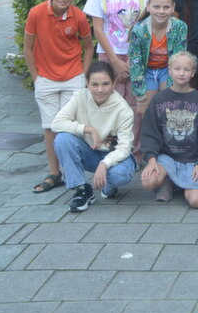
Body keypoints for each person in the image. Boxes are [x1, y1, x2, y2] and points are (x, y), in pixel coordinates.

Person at [26, 0, 95, 194]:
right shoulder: (36, 13)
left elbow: (88, 47)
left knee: (68, 128)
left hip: (73, 77)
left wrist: (83, 75)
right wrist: (36, 77)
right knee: (50, 127)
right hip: (45, 78)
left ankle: (73, 174)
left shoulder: (79, 16)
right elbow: (28, 48)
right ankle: (54, 173)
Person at [51, 62, 137, 211]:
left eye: (105, 84)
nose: (100, 90)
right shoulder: (79, 97)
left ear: (114, 83)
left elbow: (124, 148)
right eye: (95, 85)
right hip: (90, 151)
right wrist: (87, 129)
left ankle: (109, 184)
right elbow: (56, 123)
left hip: (113, 154)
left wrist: (104, 164)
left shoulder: (124, 110)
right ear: (87, 83)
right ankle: (82, 189)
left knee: (120, 175)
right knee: (62, 139)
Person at [83, 0, 149, 129]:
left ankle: (134, 146)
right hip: (108, 54)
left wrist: (131, 60)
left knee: (136, 103)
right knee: (110, 100)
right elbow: (98, 29)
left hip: (135, 55)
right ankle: (111, 143)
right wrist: (115, 61)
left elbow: (144, 30)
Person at [140, 51, 198, 207]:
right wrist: (151, 160)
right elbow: (149, 132)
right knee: (147, 182)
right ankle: (167, 180)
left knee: (196, 201)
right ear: (169, 70)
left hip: (191, 161)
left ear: (193, 72)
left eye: (187, 69)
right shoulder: (158, 99)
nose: (181, 73)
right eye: (177, 68)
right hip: (166, 158)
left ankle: (175, 183)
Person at [129, 0, 188, 129]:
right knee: (147, 112)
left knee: (168, 108)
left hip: (168, 70)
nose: (161, 11)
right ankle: (149, 141)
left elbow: (178, 60)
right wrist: (140, 98)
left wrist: (172, 89)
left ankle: (168, 141)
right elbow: (136, 64)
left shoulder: (180, 27)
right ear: (148, 6)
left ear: (173, 7)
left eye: (166, 7)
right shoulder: (138, 30)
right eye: (156, 6)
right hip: (147, 70)